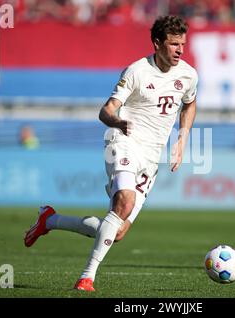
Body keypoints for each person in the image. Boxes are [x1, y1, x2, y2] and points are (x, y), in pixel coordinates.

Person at [23, 15, 198, 292]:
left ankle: (50, 219)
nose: (180, 50)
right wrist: (118, 122)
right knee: (124, 203)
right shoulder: (136, 72)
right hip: (123, 141)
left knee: (116, 231)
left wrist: (182, 138)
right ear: (157, 43)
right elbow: (106, 111)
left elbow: (189, 104)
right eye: (174, 44)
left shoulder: (188, 75)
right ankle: (86, 277)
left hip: (152, 157)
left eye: (182, 44)